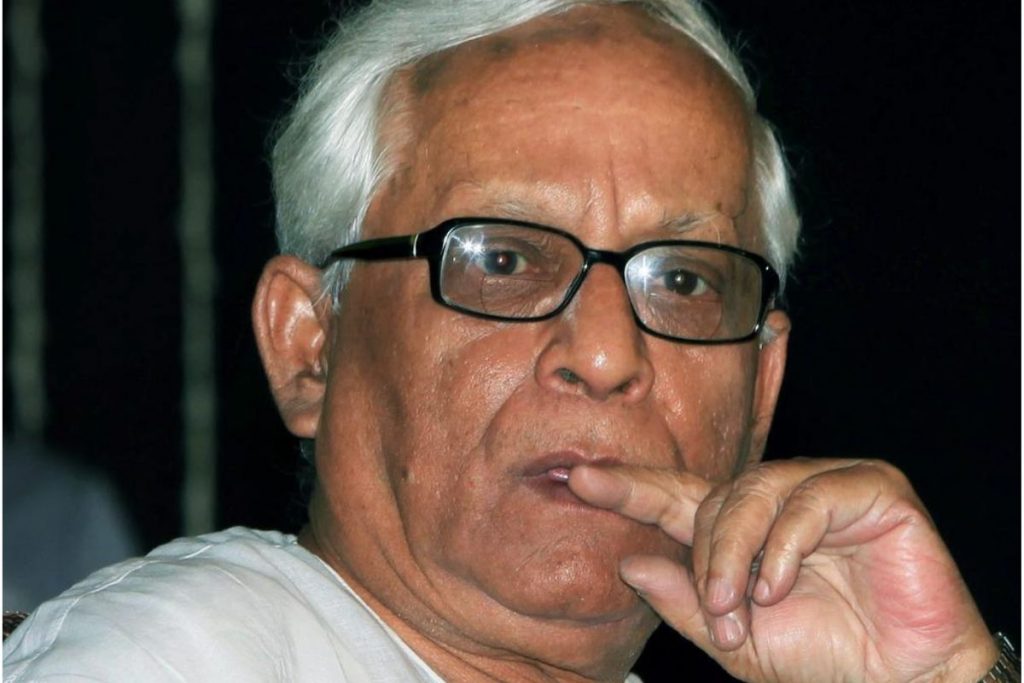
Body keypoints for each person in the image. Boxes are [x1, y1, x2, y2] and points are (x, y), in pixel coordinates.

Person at [3, 1, 1017, 681]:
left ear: (760, 393)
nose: (609, 354)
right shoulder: (180, 658)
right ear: (309, 344)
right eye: (503, 258)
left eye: (683, 280)